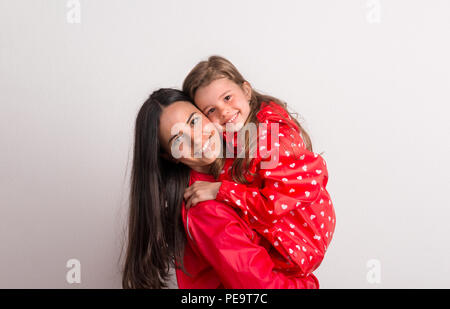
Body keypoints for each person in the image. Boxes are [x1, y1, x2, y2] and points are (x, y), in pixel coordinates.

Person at [122, 88, 319, 289]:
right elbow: (261, 287)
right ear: (170, 156)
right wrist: (308, 283)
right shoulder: (205, 209)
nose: (197, 139)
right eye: (178, 140)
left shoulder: (241, 156)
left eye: (194, 121)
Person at [182, 56, 336, 275]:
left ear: (246, 91)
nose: (224, 112)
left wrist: (220, 190)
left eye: (227, 98)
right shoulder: (238, 133)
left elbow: (272, 206)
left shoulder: (274, 138)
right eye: (211, 111)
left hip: (295, 246)